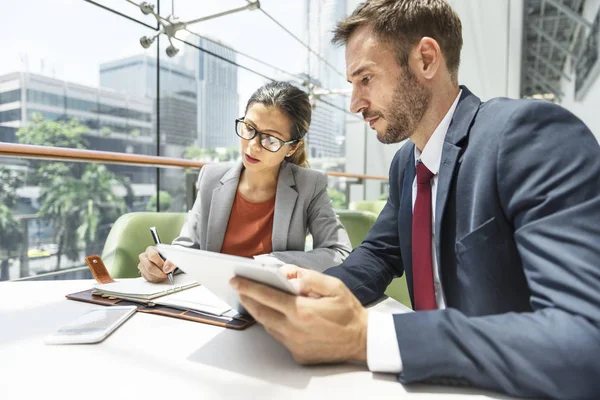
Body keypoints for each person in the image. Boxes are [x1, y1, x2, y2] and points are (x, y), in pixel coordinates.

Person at [229, 1, 600, 399]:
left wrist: (367, 336)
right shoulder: (408, 163)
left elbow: (585, 340)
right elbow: (377, 256)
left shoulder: (528, 137)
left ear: (425, 59)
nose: (355, 102)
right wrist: (300, 294)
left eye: (365, 78)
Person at [138, 81, 351, 282]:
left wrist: (272, 263)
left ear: (292, 147)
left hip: (270, 300)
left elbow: (339, 251)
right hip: (210, 301)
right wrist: (162, 260)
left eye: (271, 139)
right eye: (249, 128)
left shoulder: (310, 185)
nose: (252, 146)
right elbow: (187, 247)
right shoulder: (211, 178)